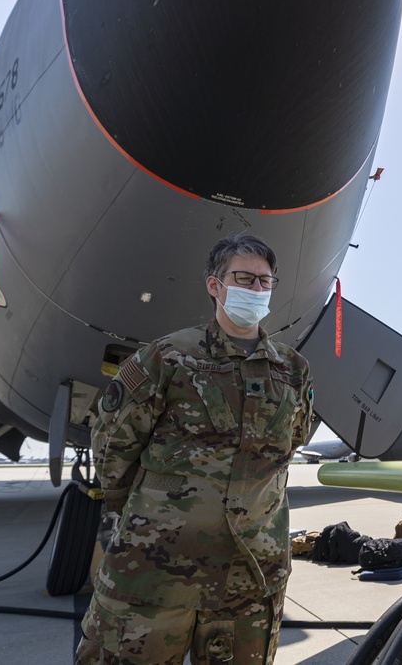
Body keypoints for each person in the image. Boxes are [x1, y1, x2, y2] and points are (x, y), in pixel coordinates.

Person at [75, 235, 314, 665]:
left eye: (265, 281)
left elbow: (292, 444)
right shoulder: (167, 358)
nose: (256, 290)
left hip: (251, 577)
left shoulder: (292, 370)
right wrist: (150, 510)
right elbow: (113, 445)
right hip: (155, 569)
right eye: (244, 279)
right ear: (214, 285)